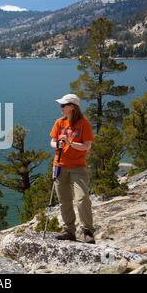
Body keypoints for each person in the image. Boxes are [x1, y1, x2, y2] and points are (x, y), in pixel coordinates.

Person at [49, 94, 95, 244]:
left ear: (72, 107)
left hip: (77, 167)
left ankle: (87, 231)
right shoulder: (59, 122)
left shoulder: (83, 124)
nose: (60, 108)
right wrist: (57, 145)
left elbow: (87, 146)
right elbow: (52, 141)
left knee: (82, 199)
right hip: (60, 165)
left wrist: (69, 142)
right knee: (64, 201)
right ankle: (69, 231)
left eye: (63, 105)